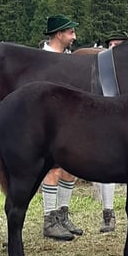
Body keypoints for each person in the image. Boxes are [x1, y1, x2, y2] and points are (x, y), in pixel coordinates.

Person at [40, 14, 84, 240]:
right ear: (58, 34)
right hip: (49, 122)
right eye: (70, 32)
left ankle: (62, 216)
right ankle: (49, 220)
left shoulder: (69, 59)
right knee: (52, 169)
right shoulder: (41, 59)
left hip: (69, 120)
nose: (74, 37)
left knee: (70, 168)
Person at [96, 30, 128, 233]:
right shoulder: (102, 67)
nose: (115, 48)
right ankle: (108, 214)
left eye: (120, 44)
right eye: (112, 45)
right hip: (107, 123)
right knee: (107, 171)